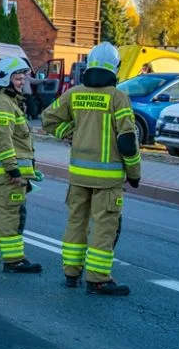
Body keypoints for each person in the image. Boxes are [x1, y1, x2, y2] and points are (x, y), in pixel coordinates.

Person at [42, 42, 140, 296]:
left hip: (78, 176)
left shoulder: (74, 94)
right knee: (103, 228)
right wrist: (134, 173)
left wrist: (70, 133)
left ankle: (71, 273)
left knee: (76, 222)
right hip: (107, 181)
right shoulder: (118, 97)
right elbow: (127, 142)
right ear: (115, 68)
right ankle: (97, 279)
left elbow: (48, 119)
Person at [0, 57, 44, 273]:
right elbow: (3, 138)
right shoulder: (2, 103)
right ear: (6, 79)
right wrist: (13, 168)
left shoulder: (5, 101)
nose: (21, 81)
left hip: (4, 173)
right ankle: (14, 260)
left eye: (23, 77)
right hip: (9, 175)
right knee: (12, 215)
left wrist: (30, 170)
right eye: (17, 78)